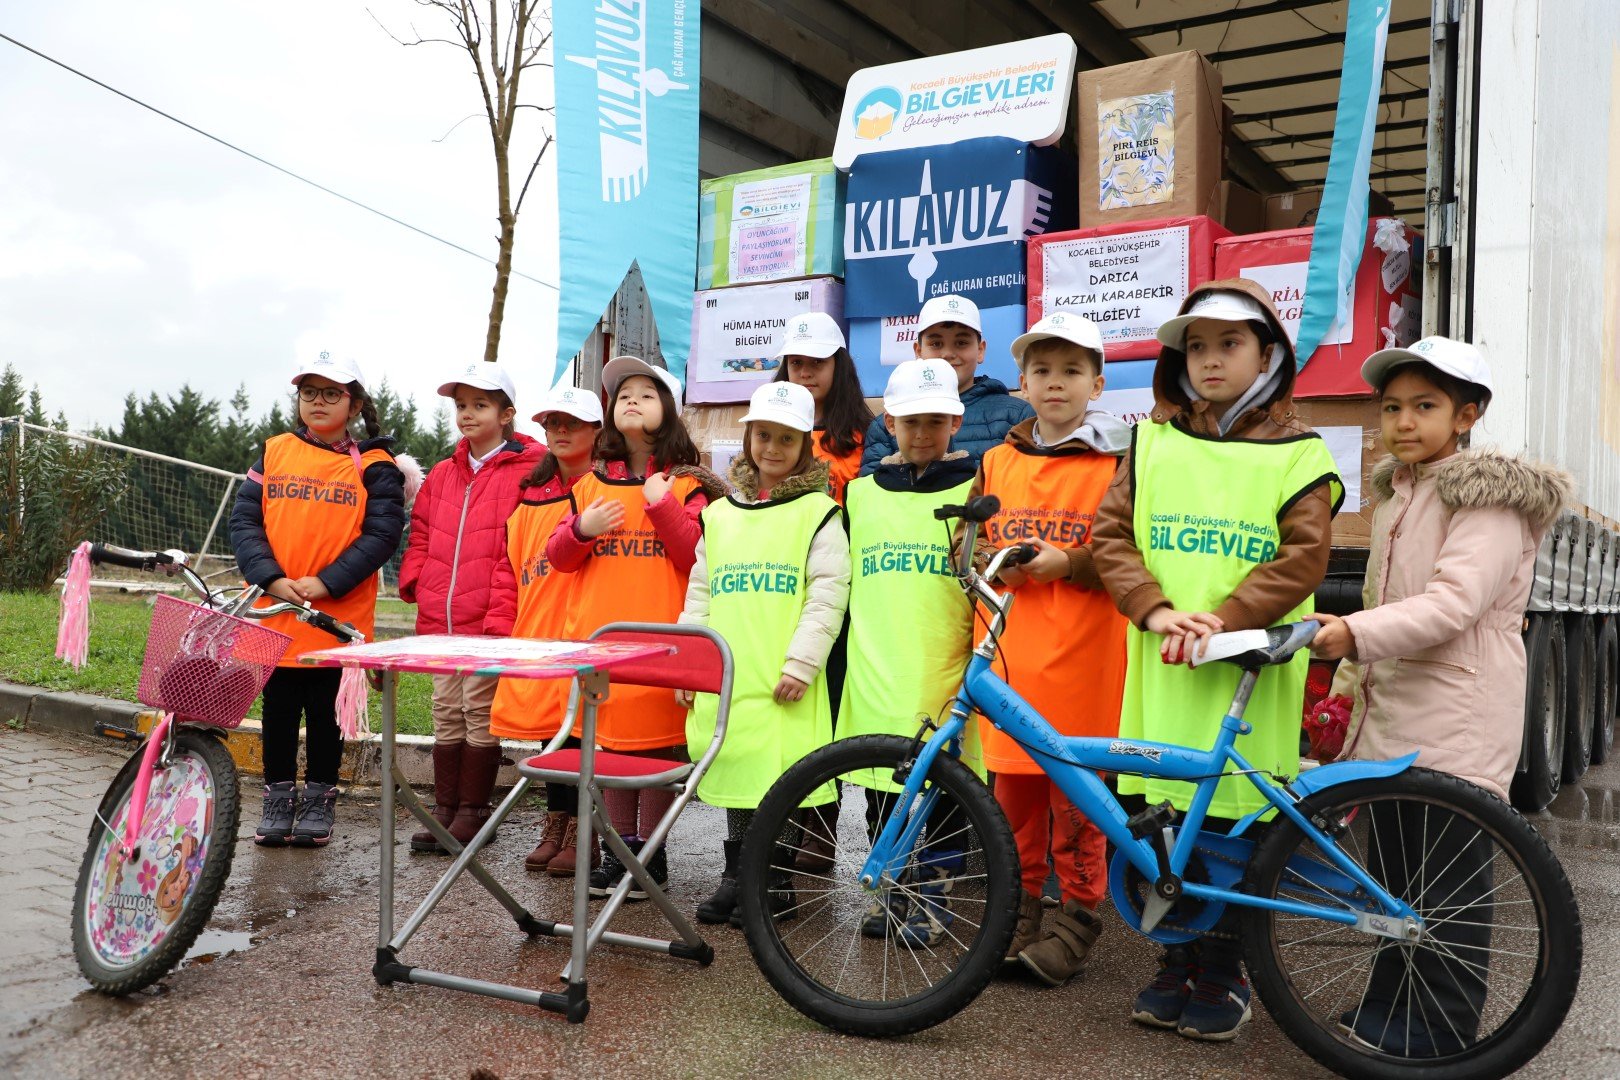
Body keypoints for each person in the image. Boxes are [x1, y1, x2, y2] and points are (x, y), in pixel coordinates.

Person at [1092, 281, 1342, 1041]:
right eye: (1195, 345)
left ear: (1269, 354)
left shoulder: (1302, 454)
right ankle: (1175, 961)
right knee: (1160, 824)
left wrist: (1224, 623)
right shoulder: (1151, 441)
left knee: (1240, 827)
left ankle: (1226, 970)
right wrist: (1161, 610)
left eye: (1228, 343)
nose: (1208, 360)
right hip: (1164, 662)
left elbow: (1303, 560)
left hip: (1246, 671)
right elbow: (1112, 538)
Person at [1310, 337, 1570, 1055]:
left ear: (1467, 414)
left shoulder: (1486, 500)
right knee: (1398, 883)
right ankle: (1389, 1008)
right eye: (1391, 408)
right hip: (1397, 712)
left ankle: (1440, 1030)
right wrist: (1346, 692)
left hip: (1457, 712)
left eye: (1424, 406)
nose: (1403, 422)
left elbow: (1453, 606)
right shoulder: (1403, 493)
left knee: (1448, 891)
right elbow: (1377, 597)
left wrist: (1351, 638)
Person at [962, 312, 1132, 985]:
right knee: (1013, 804)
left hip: (1085, 661)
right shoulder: (995, 460)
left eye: (1070, 371)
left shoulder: (1118, 461)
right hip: (1010, 660)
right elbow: (967, 544)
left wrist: (1070, 564)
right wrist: (989, 559)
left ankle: (1077, 916)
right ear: (1023, 383)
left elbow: (1127, 553)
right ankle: (1021, 910)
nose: (1054, 383)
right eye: (1042, 370)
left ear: (1097, 383)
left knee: (1078, 806)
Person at [546, 356, 725, 899]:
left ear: (669, 411)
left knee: (655, 754)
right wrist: (581, 527)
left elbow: (695, 553)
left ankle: (650, 855)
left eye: (647, 394)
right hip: (603, 644)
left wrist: (661, 504)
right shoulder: (587, 486)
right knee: (609, 750)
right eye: (623, 394)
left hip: (665, 645)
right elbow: (558, 558)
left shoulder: (689, 485)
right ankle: (619, 850)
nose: (632, 401)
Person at [678, 381, 851, 927]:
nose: (772, 448)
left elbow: (828, 595)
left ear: (805, 445)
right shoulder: (721, 515)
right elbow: (699, 594)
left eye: (785, 438)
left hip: (783, 674)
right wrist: (690, 662)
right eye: (763, 436)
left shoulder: (819, 512)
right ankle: (737, 877)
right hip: (731, 669)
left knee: (782, 776)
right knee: (736, 768)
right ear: (749, 437)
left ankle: (774, 882)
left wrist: (802, 663)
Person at [230, 352, 405, 848]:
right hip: (275, 611)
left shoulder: (375, 465)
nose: (319, 402)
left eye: (332, 394)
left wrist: (327, 583)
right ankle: (278, 797)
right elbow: (246, 523)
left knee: (327, 716)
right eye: (310, 393)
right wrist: (270, 579)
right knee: (279, 712)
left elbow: (383, 534)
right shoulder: (274, 451)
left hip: (335, 619)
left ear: (354, 405)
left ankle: (320, 800)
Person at [838, 359, 981, 946]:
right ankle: (892, 888)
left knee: (945, 787)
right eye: (910, 421)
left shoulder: (977, 488)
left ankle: (936, 894)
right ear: (889, 421)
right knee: (881, 782)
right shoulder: (860, 493)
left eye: (935, 422)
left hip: (942, 662)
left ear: (955, 421)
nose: (922, 434)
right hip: (876, 663)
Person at [397, 362, 542, 854]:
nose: (468, 414)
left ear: (507, 413)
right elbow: (420, 532)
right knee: (445, 710)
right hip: (444, 616)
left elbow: (524, 544)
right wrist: (417, 578)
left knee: (478, 709)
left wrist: (506, 610)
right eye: (461, 405)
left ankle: (473, 813)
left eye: (481, 405)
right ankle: (444, 809)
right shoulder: (442, 473)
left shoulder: (529, 469)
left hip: (490, 615)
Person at [486, 385, 603, 877]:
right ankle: (556, 824)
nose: (559, 431)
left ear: (599, 431)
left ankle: (586, 832)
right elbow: (506, 571)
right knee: (548, 737)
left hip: (588, 631)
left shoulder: (607, 490)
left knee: (584, 738)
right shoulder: (531, 494)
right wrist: (498, 635)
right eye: (552, 422)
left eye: (571, 423)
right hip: (538, 632)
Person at [859, 294, 1034, 475]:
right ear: (918, 351)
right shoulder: (888, 422)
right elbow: (873, 491)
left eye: (961, 343)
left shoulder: (1017, 415)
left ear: (980, 350)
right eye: (936, 343)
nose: (948, 353)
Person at [771, 311, 874, 506]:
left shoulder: (866, 435)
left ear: (839, 365)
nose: (805, 373)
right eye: (796, 362)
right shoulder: (768, 428)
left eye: (818, 361)